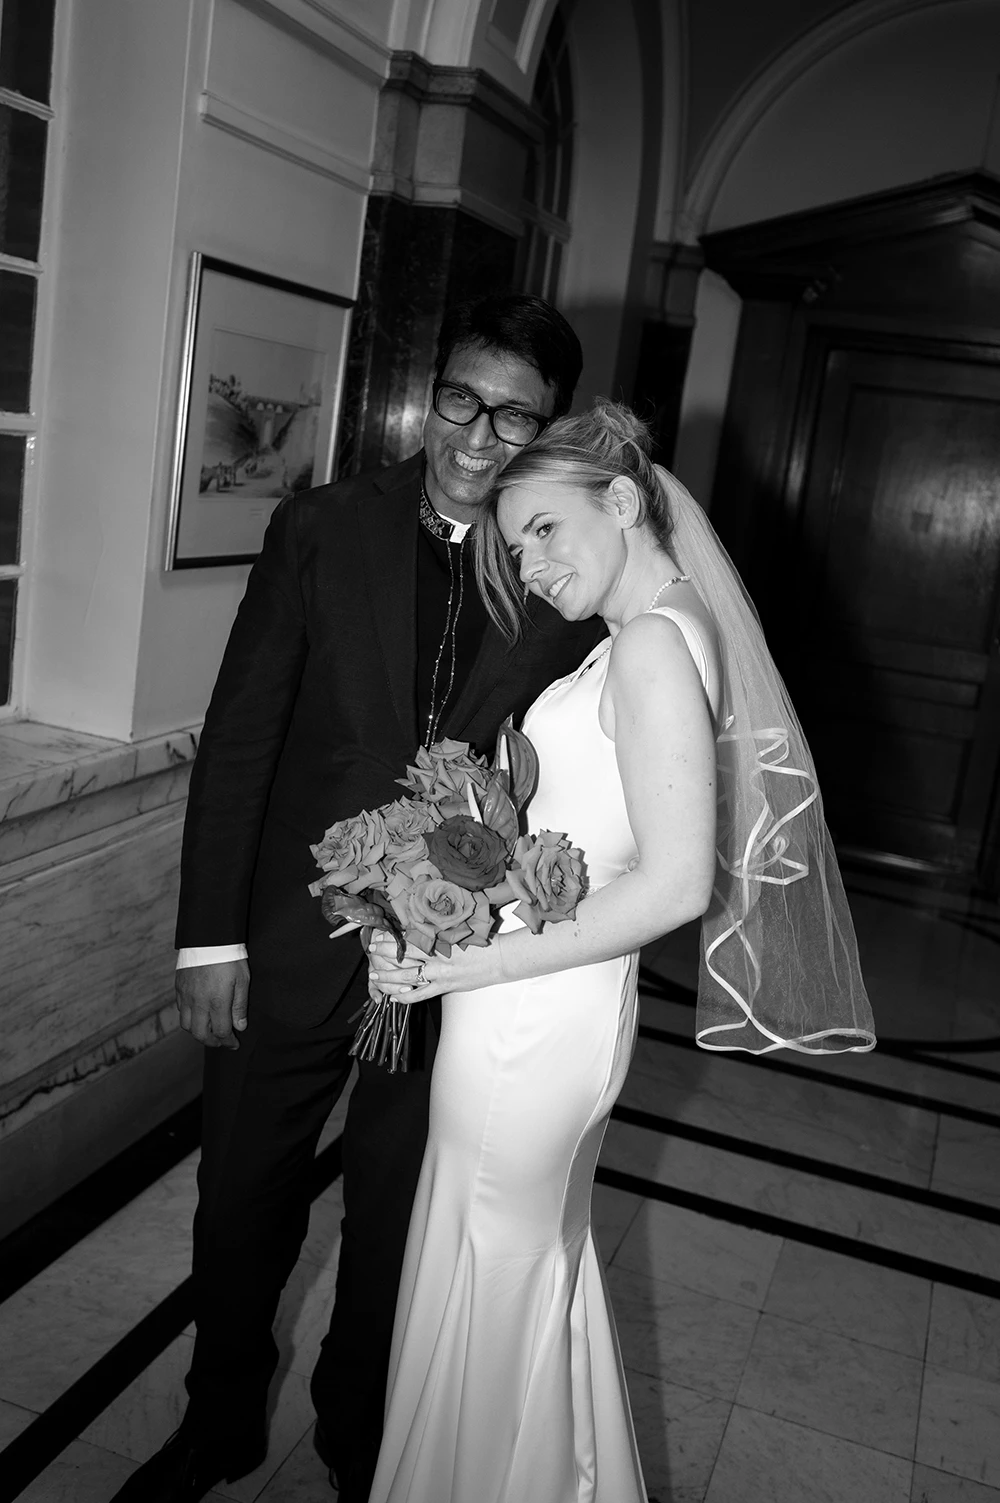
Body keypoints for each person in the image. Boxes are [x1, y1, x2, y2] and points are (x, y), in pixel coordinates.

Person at [111, 295, 605, 1503]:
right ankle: (217, 1422)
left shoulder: (556, 565)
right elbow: (240, 741)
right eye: (460, 399)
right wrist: (208, 940)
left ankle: (357, 1438)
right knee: (238, 1203)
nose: (476, 438)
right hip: (285, 941)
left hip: (452, 970)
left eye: (513, 416)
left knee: (395, 1223)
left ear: (549, 429)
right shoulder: (322, 527)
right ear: (426, 390)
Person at [365, 400, 876, 1502]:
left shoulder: (648, 645)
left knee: (497, 1275)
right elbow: (585, 841)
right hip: (538, 1008)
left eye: (545, 529)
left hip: (532, 1023)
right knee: (511, 1269)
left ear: (624, 501)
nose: (531, 565)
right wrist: (435, 896)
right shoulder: (659, 629)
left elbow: (678, 883)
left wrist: (472, 962)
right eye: (515, 547)